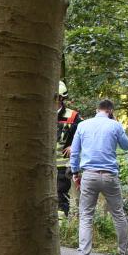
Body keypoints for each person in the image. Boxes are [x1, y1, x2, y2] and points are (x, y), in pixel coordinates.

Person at [70, 99, 128, 255]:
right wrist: (118, 125)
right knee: (118, 213)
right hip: (110, 175)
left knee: (86, 214)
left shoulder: (82, 125)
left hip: (89, 175)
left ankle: (84, 252)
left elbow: (75, 152)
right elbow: (126, 146)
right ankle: (125, 251)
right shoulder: (115, 126)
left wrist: (75, 172)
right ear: (110, 111)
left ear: (97, 110)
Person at [56, 81, 82, 218]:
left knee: (61, 195)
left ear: (61, 98)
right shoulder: (40, 112)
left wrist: (74, 146)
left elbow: (85, 134)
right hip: (41, 163)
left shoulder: (73, 116)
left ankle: (61, 224)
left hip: (62, 164)